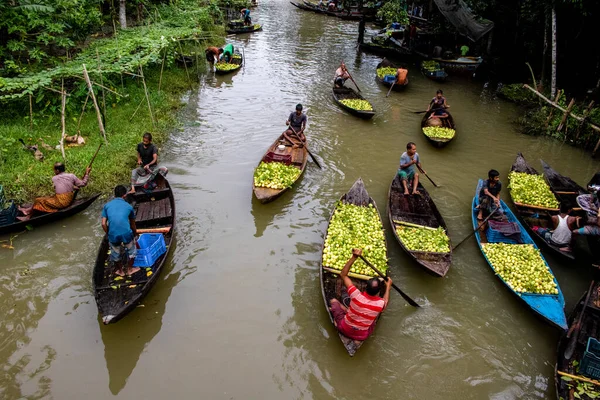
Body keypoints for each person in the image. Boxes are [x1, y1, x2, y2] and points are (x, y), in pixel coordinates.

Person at [328, 248, 392, 341]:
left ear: (365, 288)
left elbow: (343, 275)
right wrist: (388, 287)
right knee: (373, 321)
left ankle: (340, 319)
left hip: (344, 328)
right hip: (362, 336)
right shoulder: (380, 304)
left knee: (334, 301)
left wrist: (354, 257)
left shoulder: (356, 295)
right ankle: (357, 338)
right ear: (378, 292)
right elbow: (385, 300)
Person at [17, 162, 91, 220]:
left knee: (38, 200)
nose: (54, 171)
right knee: (44, 199)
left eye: (54, 170)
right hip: (66, 199)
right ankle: (27, 210)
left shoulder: (55, 178)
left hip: (61, 201)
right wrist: (87, 173)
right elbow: (83, 183)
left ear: (58, 170)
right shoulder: (71, 176)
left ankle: (28, 216)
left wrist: (73, 186)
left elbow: (61, 186)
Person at [101, 185, 140, 277]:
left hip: (113, 234)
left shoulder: (107, 206)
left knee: (115, 253)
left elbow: (103, 224)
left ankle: (120, 271)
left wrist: (108, 233)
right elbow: (132, 224)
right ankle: (130, 269)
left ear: (115, 195)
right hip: (126, 234)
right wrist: (135, 234)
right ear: (124, 195)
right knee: (132, 251)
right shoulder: (128, 206)